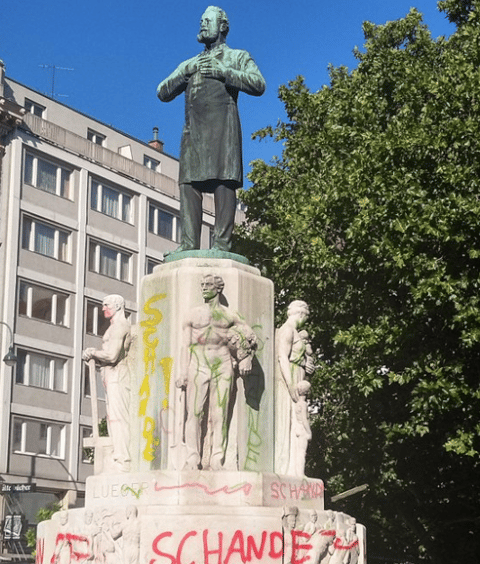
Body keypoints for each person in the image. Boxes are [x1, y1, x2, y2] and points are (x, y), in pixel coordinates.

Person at [157, 6, 265, 252]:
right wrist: (184, 74)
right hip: (193, 135)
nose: (203, 24)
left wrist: (224, 72)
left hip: (223, 133)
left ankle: (222, 243)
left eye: (208, 21)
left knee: (224, 182)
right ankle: (188, 244)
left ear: (223, 27)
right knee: (188, 185)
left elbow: (259, 84)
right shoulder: (190, 63)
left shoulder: (237, 56)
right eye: (201, 21)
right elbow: (162, 92)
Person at [176, 274, 258, 469]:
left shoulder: (230, 315)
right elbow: (185, 346)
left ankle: (217, 457)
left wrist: (246, 358)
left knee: (220, 413)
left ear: (218, 288)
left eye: (209, 285)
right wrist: (183, 372)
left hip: (222, 365)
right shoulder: (193, 314)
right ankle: (193, 456)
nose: (204, 287)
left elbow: (251, 338)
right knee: (194, 413)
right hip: (198, 364)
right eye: (202, 284)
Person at [82, 295, 134, 472]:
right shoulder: (113, 326)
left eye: (106, 305)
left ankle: (124, 459)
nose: (103, 308)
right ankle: (119, 454)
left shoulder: (120, 326)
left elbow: (112, 355)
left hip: (119, 376)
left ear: (118, 306)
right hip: (110, 375)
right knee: (113, 418)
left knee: (119, 417)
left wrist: (93, 353)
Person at [275, 300, 315, 473]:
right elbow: (282, 357)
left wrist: (307, 364)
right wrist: (290, 385)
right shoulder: (287, 330)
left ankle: (295, 469)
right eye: (305, 317)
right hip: (288, 378)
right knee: (289, 420)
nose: (305, 321)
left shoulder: (296, 332)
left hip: (297, 374)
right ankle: (285, 468)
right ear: (301, 314)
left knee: (296, 421)